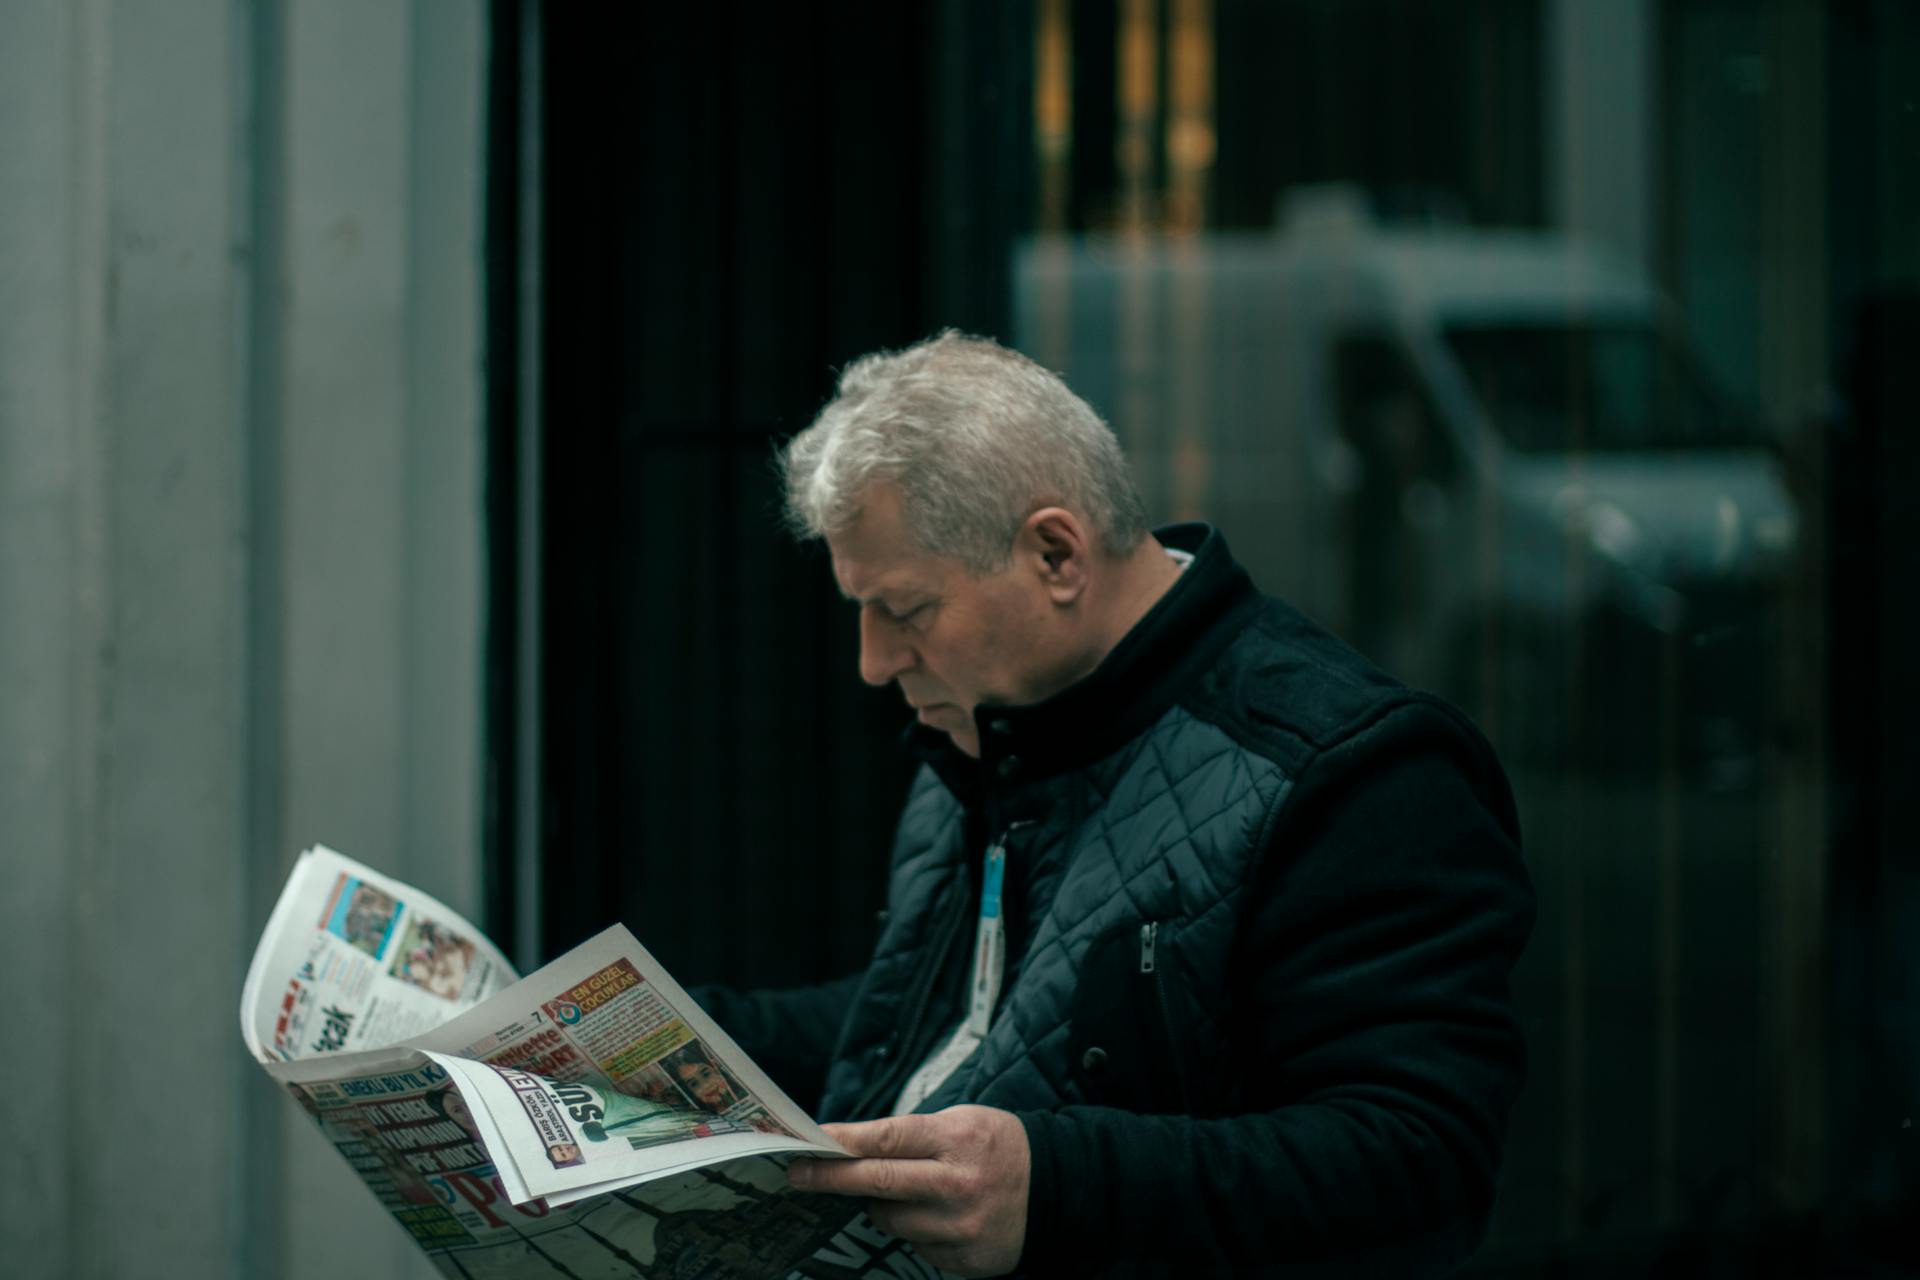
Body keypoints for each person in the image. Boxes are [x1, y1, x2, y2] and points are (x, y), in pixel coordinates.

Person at [698, 331, 1534, 1278]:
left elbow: (1417, 1162)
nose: (874, 661)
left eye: (907, 610)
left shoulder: (1354, 770)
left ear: (1057, 554)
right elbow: (957, 1026)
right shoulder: (995, 723)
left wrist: (1055, 1188)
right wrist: (652, 1051)